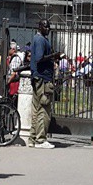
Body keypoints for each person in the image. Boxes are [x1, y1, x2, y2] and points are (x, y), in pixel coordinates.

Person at [29, 18, 56, 149]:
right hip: (43, 78)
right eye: (45, 26)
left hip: (38, 77)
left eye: (49, 26)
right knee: (44, 109)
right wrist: (53, 56)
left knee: (36, 108)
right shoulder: (40, 40)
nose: (48, 29)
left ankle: (33, 138)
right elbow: (39, 58)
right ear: (40, 27)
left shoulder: (39, 39)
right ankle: (40, 139)